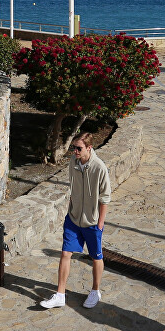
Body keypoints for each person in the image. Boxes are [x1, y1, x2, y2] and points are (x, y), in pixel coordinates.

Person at [41, 133, 111, 310]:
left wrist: (100, 224)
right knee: (65, 253)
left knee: (96, 257)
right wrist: (71, 209)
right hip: (73, 218)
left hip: (92, 221)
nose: (75, 151)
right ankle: (60, 294)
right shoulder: (73, 162)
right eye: (74, 147)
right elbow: (73, 188)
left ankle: (95, 291)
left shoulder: (99, 168)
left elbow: (105, 198)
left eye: (78, 148)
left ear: (89, 148)